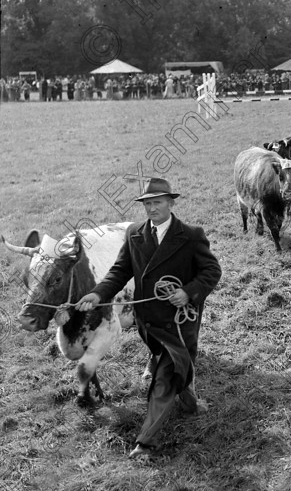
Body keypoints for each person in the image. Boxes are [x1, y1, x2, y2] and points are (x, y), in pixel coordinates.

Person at [76, 178, 222, 459]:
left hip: (180, 321)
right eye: (147, 203)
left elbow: (212, 271)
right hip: (148, 323)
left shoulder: (191, 235)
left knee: (164, 377)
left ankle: (145, 443)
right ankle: (191, 404)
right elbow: (119, 272)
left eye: (157, 202)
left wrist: (188, 292)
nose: (151, 208)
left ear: (171, 203)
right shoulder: (134, 234)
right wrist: (97, 295)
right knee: (178, 365)